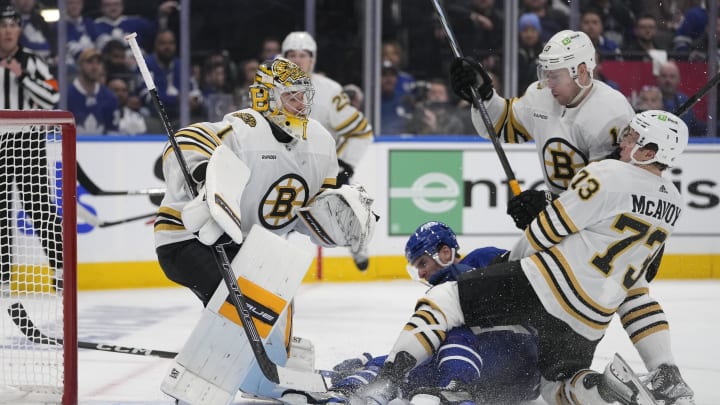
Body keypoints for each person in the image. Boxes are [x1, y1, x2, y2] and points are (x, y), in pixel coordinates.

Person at [352, 110, 692, 405]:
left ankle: (389, 376)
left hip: (544, 285)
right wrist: (664, 364)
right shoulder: (673, 204)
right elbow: (637, 289)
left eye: (633, 138)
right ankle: (603, 389)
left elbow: (546, 231)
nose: (623, 142)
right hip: (591, 319)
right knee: (554, 387)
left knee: (445, 299)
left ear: (650, 151)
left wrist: (511, 264)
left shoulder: (606, 173)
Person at [449, 30, 694, 404]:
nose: (547, 81)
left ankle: (665, 370)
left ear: (582, 72)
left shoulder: (612, 113)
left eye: (555, 73)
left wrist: (547, 207)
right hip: (570, 212)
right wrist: (484, 95)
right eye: (544, 71)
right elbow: (500, 124)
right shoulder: (542, 96)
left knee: (626, 287)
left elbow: (607, 188)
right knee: (600, 288)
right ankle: (526, 365)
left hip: (602, 219)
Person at [154, 57, 376, 400]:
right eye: (291, 97)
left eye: (305, 96)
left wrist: (343, 213)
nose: (302, 105)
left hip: (245, 245)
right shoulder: (243, 128)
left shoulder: (321, 141)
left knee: (275, 300)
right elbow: (184, 140)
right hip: (188, 237)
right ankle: (197, 388)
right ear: (267, 98)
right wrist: (201, 174)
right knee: (242, 308)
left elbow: (317, 207)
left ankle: (263, 379)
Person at [329, 221, 540, 404]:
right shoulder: (439, 293)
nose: (421, 273)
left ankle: (455, 390)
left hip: (520, 358)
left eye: (423, 263)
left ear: (446, 252)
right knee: (414, 367)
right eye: (416, 268)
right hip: (493, 380)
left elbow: (530, 281)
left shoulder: (482, 258)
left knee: (453, 332)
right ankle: (362, 382)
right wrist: (378, 362)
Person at [282, 31, 375, 270]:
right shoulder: (269, 90)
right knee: (270, 221)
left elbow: (362, 131)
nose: (297, 60)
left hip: (323, 170)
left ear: (312, 60)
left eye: (303, 55)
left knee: (348, 209)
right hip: (282, 168)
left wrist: (343, 165)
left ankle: (359, 248)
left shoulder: (330, 92)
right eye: (291, 55)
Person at [0, 3, 61, 289]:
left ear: (20, 29)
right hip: (0, 140)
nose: (8, 30)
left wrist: (21, 75)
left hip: (28, 141)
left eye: (13, 25)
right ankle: (2, 277)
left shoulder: (33, 60)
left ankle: (61, 271)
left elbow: (51, 98)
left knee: (39, 208)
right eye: (3, 25)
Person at [68, 48, 120, 134]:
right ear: (80, 65)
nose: (95, 67)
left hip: (102, 146)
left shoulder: (109, 97)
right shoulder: (66, 96)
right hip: (71, 146)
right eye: (90, 62)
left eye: (98, 63)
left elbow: (113, 132)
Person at [656, 60, 707, 136]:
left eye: (672, 76)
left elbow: (693, 125)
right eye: (664, 76)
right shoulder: (651, 98)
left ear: (678, 79)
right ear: (658, 79)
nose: (668, 80)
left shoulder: (684, 100)